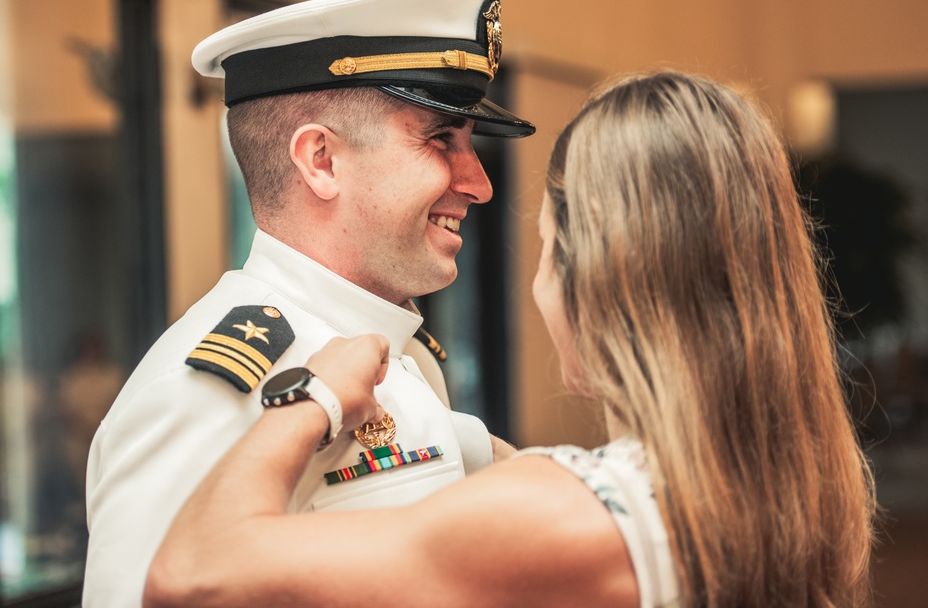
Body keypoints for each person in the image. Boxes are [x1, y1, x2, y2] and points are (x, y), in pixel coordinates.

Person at [144, 72, 877, 608]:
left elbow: (191, 570)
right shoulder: (790, 483)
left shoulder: (565, 508)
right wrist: (451, 442)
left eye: (546, 250)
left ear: (599, 277)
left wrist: (312, 398)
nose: (478, 184)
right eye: (439, 139)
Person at [83, 0, 534, 606]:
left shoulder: (394, 352)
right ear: (320, 160)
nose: (479, 183)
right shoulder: (213, 391)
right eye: (440, 140)